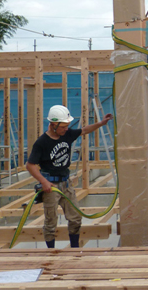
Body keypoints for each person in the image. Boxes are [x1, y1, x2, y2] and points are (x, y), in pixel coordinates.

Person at [26, 105, 113, 248]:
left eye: (67, 126)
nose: (66, 129)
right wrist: (44, 182)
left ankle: (74, 250)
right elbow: (30, 165)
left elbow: (84, 130)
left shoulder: (66, 134)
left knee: (75, 218)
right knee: (51, 221)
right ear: (53, 125)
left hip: (66, 184)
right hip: (51, 187)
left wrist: (101, 123)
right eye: (63, 126)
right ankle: (51, 253)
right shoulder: (42, 143)